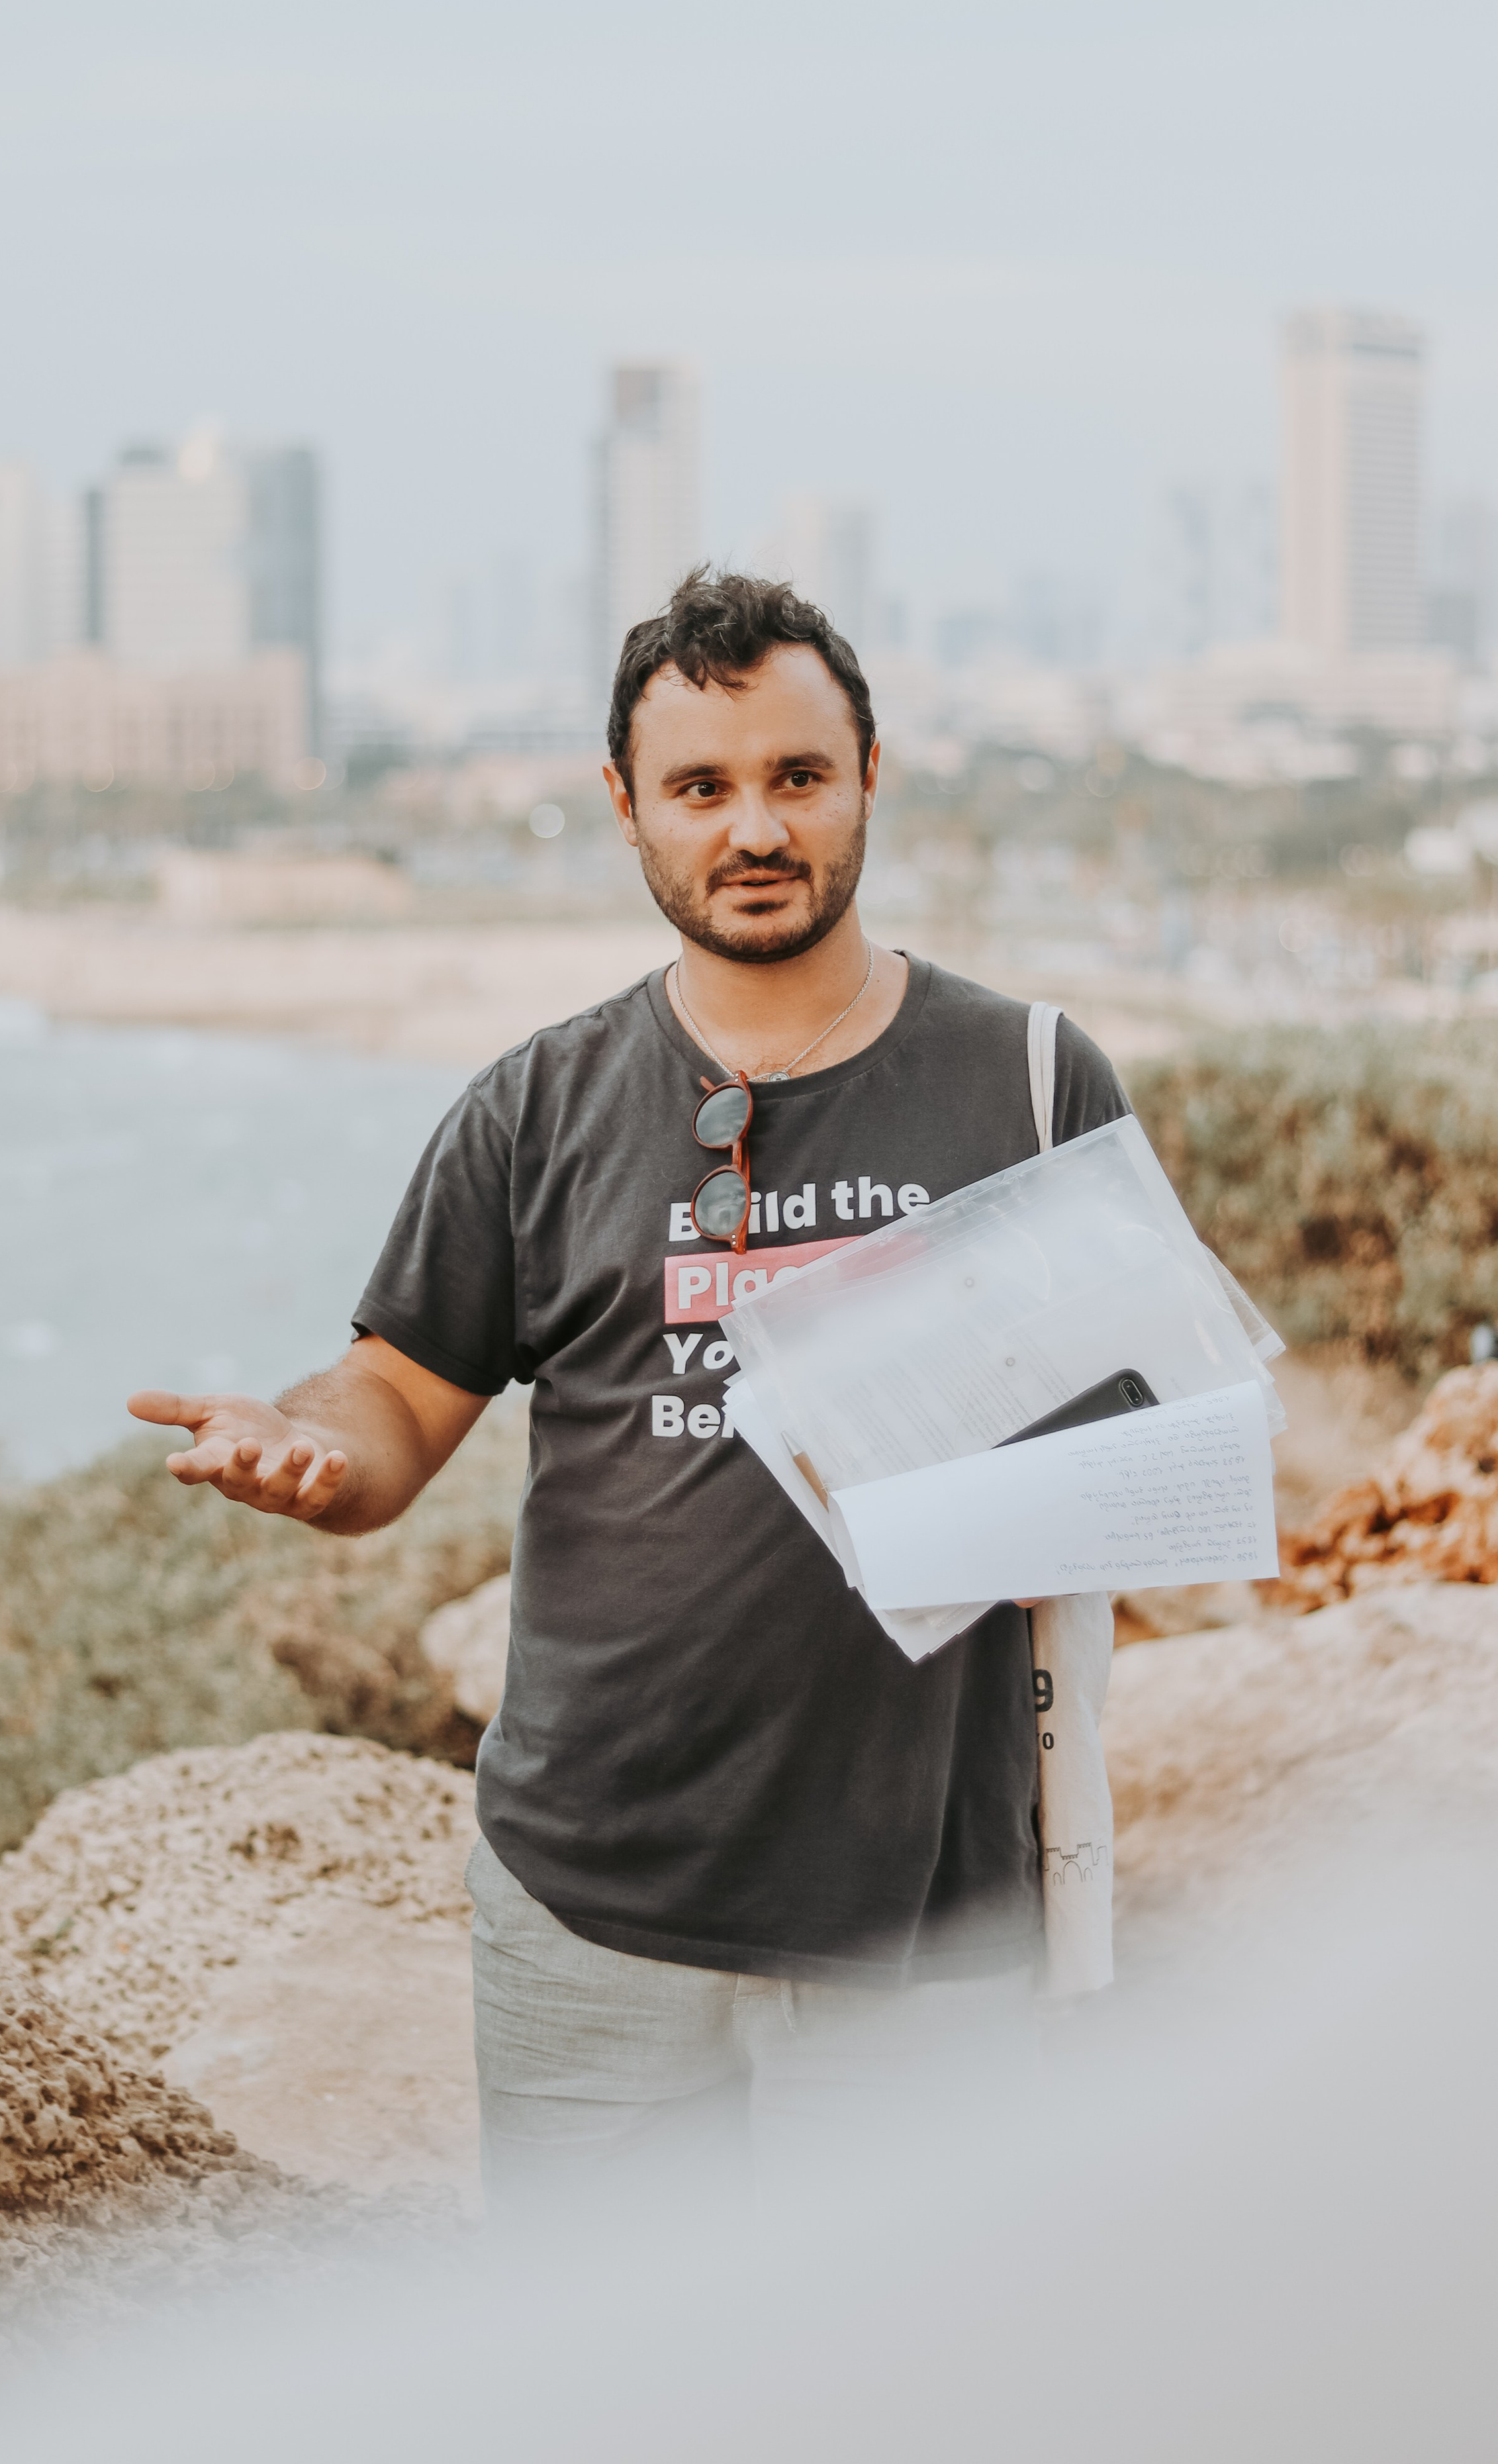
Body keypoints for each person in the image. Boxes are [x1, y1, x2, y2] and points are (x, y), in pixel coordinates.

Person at [128, 569, 1129, 2222]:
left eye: (795, 778)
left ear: (867, 774)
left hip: (922, 1924)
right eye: (702, 788)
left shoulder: (1026, 1081)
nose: (753, 828)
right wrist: (314, 1447)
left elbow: (1136, 1427)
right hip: (588, 1908)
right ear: (627, 808)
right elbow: (396, 1392)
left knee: (907, 2383)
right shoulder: (534, 1107)